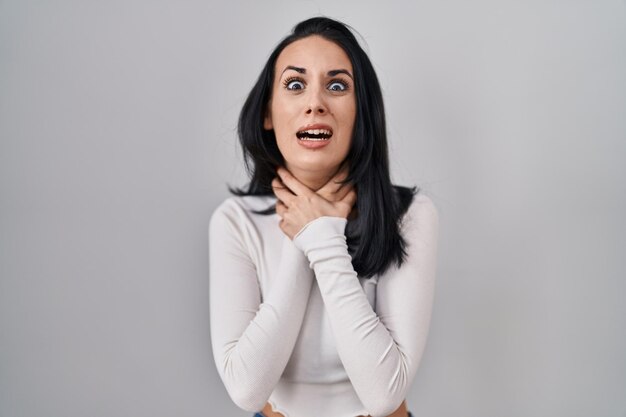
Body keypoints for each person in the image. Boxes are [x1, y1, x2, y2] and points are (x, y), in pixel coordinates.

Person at [209, 17, 439, 417]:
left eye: (337, 85)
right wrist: (308, 232)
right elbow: (246, 390)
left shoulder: (410, 215)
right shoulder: (235, 222)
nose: (315, 102)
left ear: (361, 111)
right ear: (268, 113)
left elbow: (384, 395)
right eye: (295, 85)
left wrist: (322, 236)